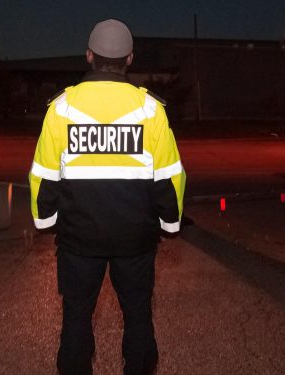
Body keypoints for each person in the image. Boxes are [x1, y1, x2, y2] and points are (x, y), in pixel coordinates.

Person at [28, 18, 185, 375]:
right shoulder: (151, 111)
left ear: (88, 56)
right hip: (135, 239)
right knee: (138, 314)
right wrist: (170, 224)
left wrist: (47, 221)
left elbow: (44, 173)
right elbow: (169, 175)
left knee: (77, 319)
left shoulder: (62, 108)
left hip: (79, 239)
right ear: (129, 58)